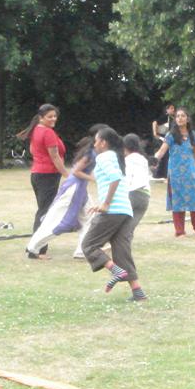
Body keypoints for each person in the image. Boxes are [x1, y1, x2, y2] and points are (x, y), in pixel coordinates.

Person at [81, 127, 147, 302]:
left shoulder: (104, 157)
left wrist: (106, 204)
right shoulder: (118, 157)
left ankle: (116, 271)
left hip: (114, 210)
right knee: (121, 249)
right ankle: (138, 292)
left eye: (96, 140)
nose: (94, 144)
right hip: (125, 210)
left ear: (103, 142)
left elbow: (115, 177)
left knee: (88, 245)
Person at [24, 125, 105, 260]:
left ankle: (82, 251)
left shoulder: (94, 152)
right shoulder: (90, 153)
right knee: (57, 221)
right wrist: (94, 179)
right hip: (73, 190)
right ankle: (33, 248)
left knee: (90, 218)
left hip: (81, 191)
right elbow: (77, 172)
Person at [18, 104, 69, 259]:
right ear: (41, 118)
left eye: (55, 116)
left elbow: (34, 151)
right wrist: (67, 174)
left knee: (43, 210)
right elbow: (55, 157)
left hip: (37, 174)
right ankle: (36, 250)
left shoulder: (37, 130)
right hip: (47, 175)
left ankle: (36, 246)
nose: (53, 119)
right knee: (45, 213)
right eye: (50, 116)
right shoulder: (47, 133)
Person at [154, 108, 195, 236]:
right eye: (178, 116)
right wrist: (154, 159)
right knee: (178, 202)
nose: (180, 118)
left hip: (191, 171)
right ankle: (180, 232)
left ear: (187, 118)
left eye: (182, 116)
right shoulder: (171, 135)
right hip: (176, 173)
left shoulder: (192, 135)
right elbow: (162, 151)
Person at [123, 134, 152, 232]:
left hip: (133, 193)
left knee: (120, 225)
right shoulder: (143, 159)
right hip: (145, 195)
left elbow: (128, 178)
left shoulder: (128, 160)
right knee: (129, 228)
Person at [152, 103, 176, 179]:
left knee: (167, 156)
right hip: (161, 137)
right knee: (161, 154)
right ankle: (157, 173)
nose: (173, 110)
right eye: (171, 108)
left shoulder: (173, 118)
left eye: (173, 108)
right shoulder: (164, 117)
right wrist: (155, 133)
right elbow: (155, 122)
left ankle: (164, 174)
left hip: (167, 137)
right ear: (167, 109)